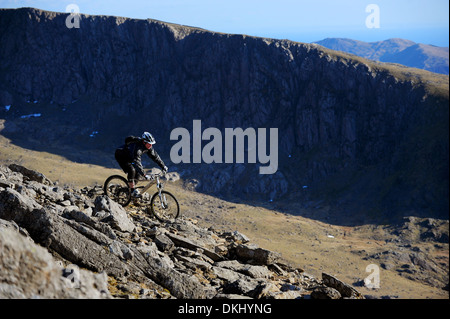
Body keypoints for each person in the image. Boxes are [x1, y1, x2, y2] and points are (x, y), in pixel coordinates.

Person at [115, 132, 168, 198]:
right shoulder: (137, 148)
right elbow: (136, 162)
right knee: (132, 170)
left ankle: (129, 188)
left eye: (152, 144)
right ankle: (131, 191)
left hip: (131, 157)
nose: (151, 146)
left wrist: (163, 166)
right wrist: (145, 175)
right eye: (149, 144)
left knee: (138, 174)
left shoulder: (148, 147)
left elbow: (155, 157)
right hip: (121, 156)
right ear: (144, 142)